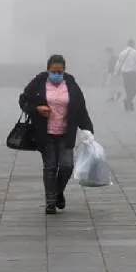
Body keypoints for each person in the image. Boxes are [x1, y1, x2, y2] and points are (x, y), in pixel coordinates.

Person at [20, 54, 94, 215]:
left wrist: (88, 130)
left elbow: (80, 108)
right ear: (48, 69)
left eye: (59, 71)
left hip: (66, 133)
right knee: (50, 167)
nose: (56, 75)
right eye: (53, 71)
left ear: (64, 70)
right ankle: (50, 202)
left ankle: (58, 192)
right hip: (44, 133)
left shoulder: (71, 84)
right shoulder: (39, 82)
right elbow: (24, 101)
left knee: (67, 166)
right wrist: (37, 109)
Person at [114, 39, 136, 112]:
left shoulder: (122, 53)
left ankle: (129, 105)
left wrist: (116, 73)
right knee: (135, 89)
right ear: (133, 44)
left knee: (128, 89)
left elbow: (118, 64)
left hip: (124, 74)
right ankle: (128, 101)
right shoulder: (135, 52)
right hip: (132, 73)